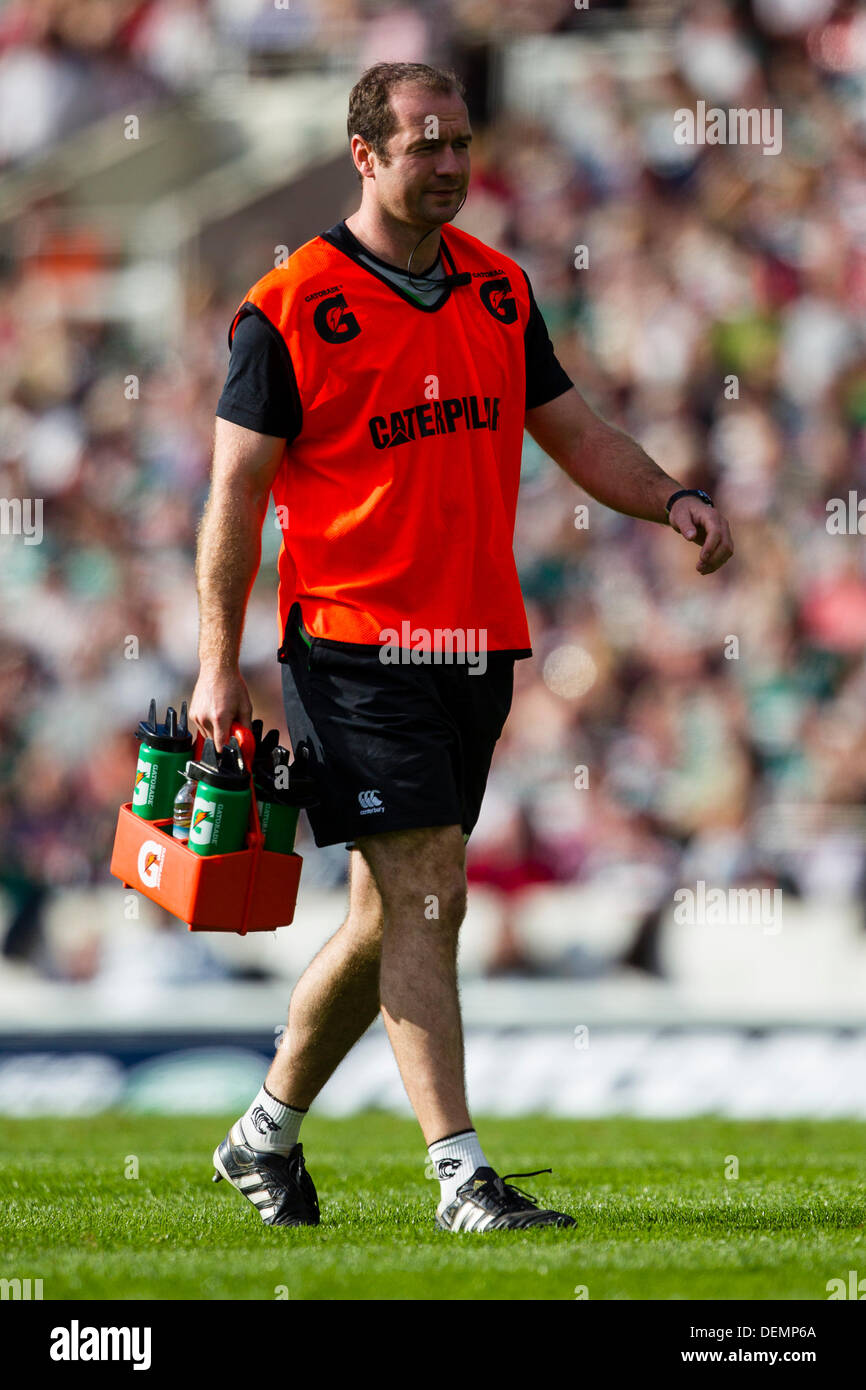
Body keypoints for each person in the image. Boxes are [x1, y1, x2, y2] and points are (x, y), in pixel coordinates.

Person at [190, 61, 734, 1233]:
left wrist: (667, 497)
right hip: (349, 646)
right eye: (424, 144)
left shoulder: (496, 290)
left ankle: (261, 1136)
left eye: (459, 142)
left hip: (474, 646)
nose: (449, 163)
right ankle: (460, 1176)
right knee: (432, 890)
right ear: (364, 156)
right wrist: (213, 663)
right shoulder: (285, 307)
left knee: (393, 914)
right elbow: (235, 494)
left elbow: (572, 430)